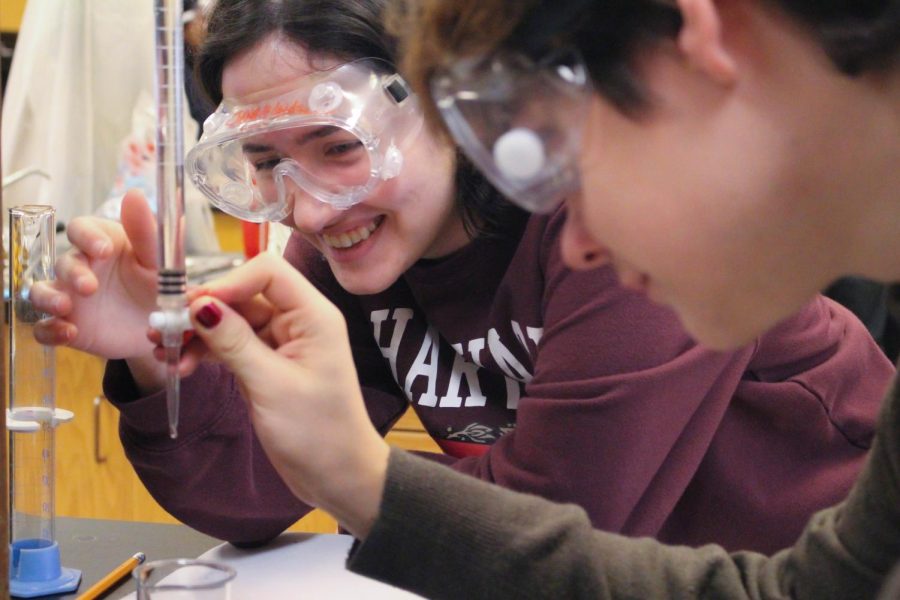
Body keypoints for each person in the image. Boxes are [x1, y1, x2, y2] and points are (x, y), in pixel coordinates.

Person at [30, 0, 892, 557]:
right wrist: (158, 353)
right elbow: (255, 492)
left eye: (341, 147)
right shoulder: (365, 253)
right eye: (262, 165)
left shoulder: (629, 232)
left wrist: (359, 477)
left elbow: (563, 533)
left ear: (446, 104)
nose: (315, 211)